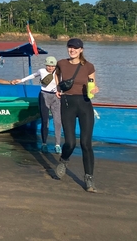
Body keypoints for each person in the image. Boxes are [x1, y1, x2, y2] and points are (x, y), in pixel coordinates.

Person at [54, 38, 99, 193]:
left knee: (86, 144)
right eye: (70, 47)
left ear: (81, 50)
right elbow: (56, 75)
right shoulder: (61, 63)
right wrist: (58, 88)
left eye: (75, 48)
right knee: (71, 143)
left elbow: (93, 83)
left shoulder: (89, 66)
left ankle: (89, 178)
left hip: (85, 104)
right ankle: (64, 160)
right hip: (67, 104)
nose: (72, 50)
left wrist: (94, 90)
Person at [18, 56, 62, 153]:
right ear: (45, 65)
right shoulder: (42, 71)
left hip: (56, 97)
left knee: (57, 121)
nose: (50, 68)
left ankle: (57, 144)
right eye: (48, 66)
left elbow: (64, 83)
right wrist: (21, 80)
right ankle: (44, 143)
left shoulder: (58, 72)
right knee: (45, 120)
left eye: (52, 66)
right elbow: (33, 76)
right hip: (44, 96)